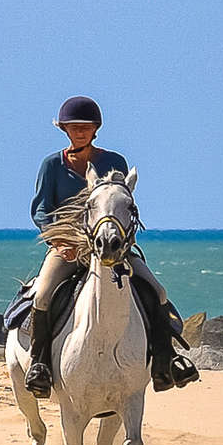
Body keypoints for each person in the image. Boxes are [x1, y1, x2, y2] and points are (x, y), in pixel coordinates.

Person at [23, 95, 199, 398]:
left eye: (86, 126)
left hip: (113, 248)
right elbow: (40, 209)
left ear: (96, 128)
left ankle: (165, 361)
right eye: (74, 127)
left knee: (157, 291)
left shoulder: (114, 162)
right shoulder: (51, 165)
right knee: (42, 294)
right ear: (64, 129)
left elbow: (124, 204)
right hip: (68, 247)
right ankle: (40, 365)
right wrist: (57, 240)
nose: (80, 131)